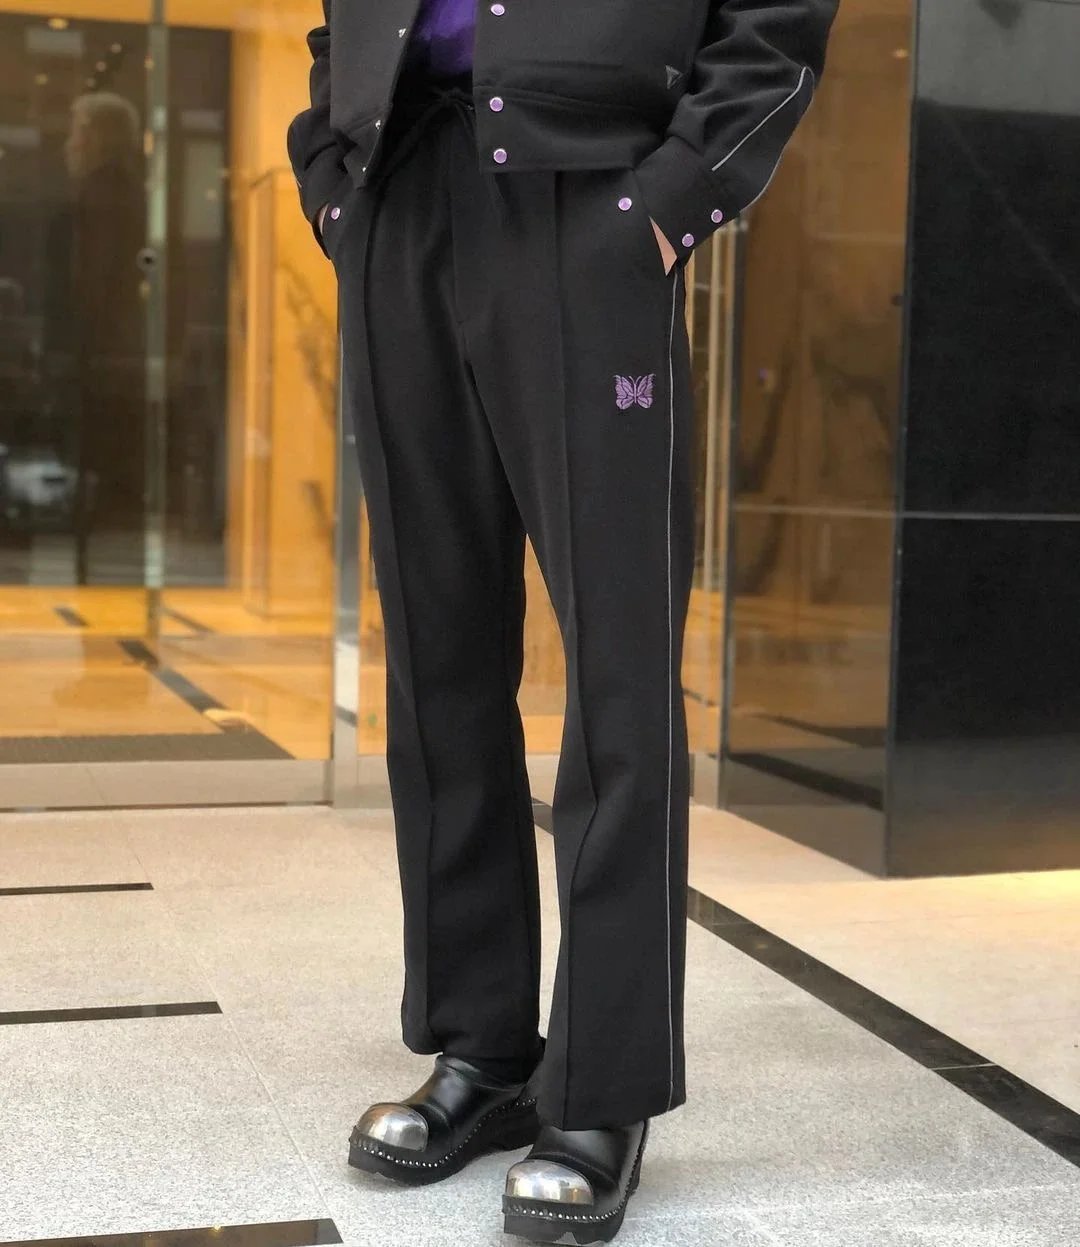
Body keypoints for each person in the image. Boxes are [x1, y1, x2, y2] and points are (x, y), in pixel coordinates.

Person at [288, 0, 836, 1240]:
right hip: (400, 189)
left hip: (592, 196)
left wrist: (669, 200)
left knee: (618, 677)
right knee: (436, 661)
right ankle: (482, 1047)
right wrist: (334, 179)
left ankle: (602, 1087)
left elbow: (775, 22)